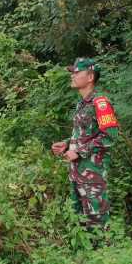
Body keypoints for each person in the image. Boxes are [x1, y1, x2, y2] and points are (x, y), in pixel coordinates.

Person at [51, 58, 119, 229]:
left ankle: (105, 255)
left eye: (76, 72)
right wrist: (67, 144)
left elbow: (110, 135)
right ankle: (84, 256)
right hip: (77, 173)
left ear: (90, 77)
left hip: (92, 175)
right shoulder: (82, 104)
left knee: (97, 224)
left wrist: (79, 151)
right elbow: (85, 134)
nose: (72, 76)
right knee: (80, 222)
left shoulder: (100, 103)